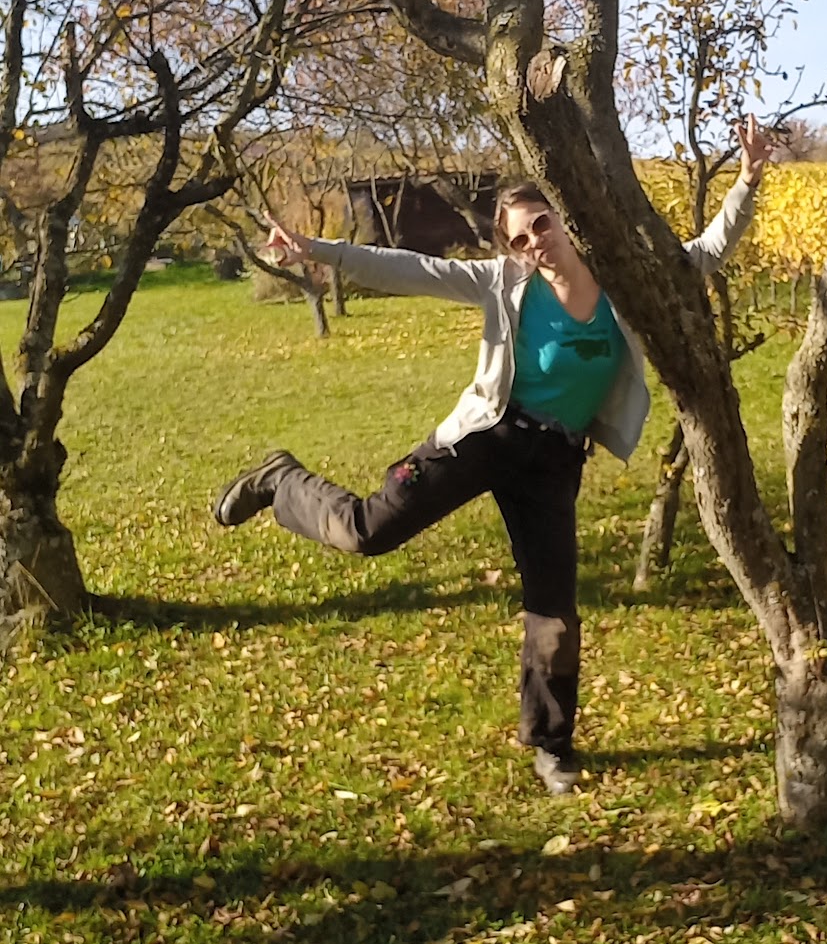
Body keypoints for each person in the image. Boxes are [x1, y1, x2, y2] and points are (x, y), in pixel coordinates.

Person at [214, 118, 771, 793]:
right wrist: (317, 250)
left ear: (562, 217)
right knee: (367, 532)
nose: (534, 243)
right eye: (519, 238)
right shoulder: (506, 283)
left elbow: (704, 253)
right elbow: (412, 269)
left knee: (554, 612)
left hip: (555, 462)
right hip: (487, 437)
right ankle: (281, 480)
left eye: (540, 225)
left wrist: (747, 178)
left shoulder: (626, 280)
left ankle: (551, 744)